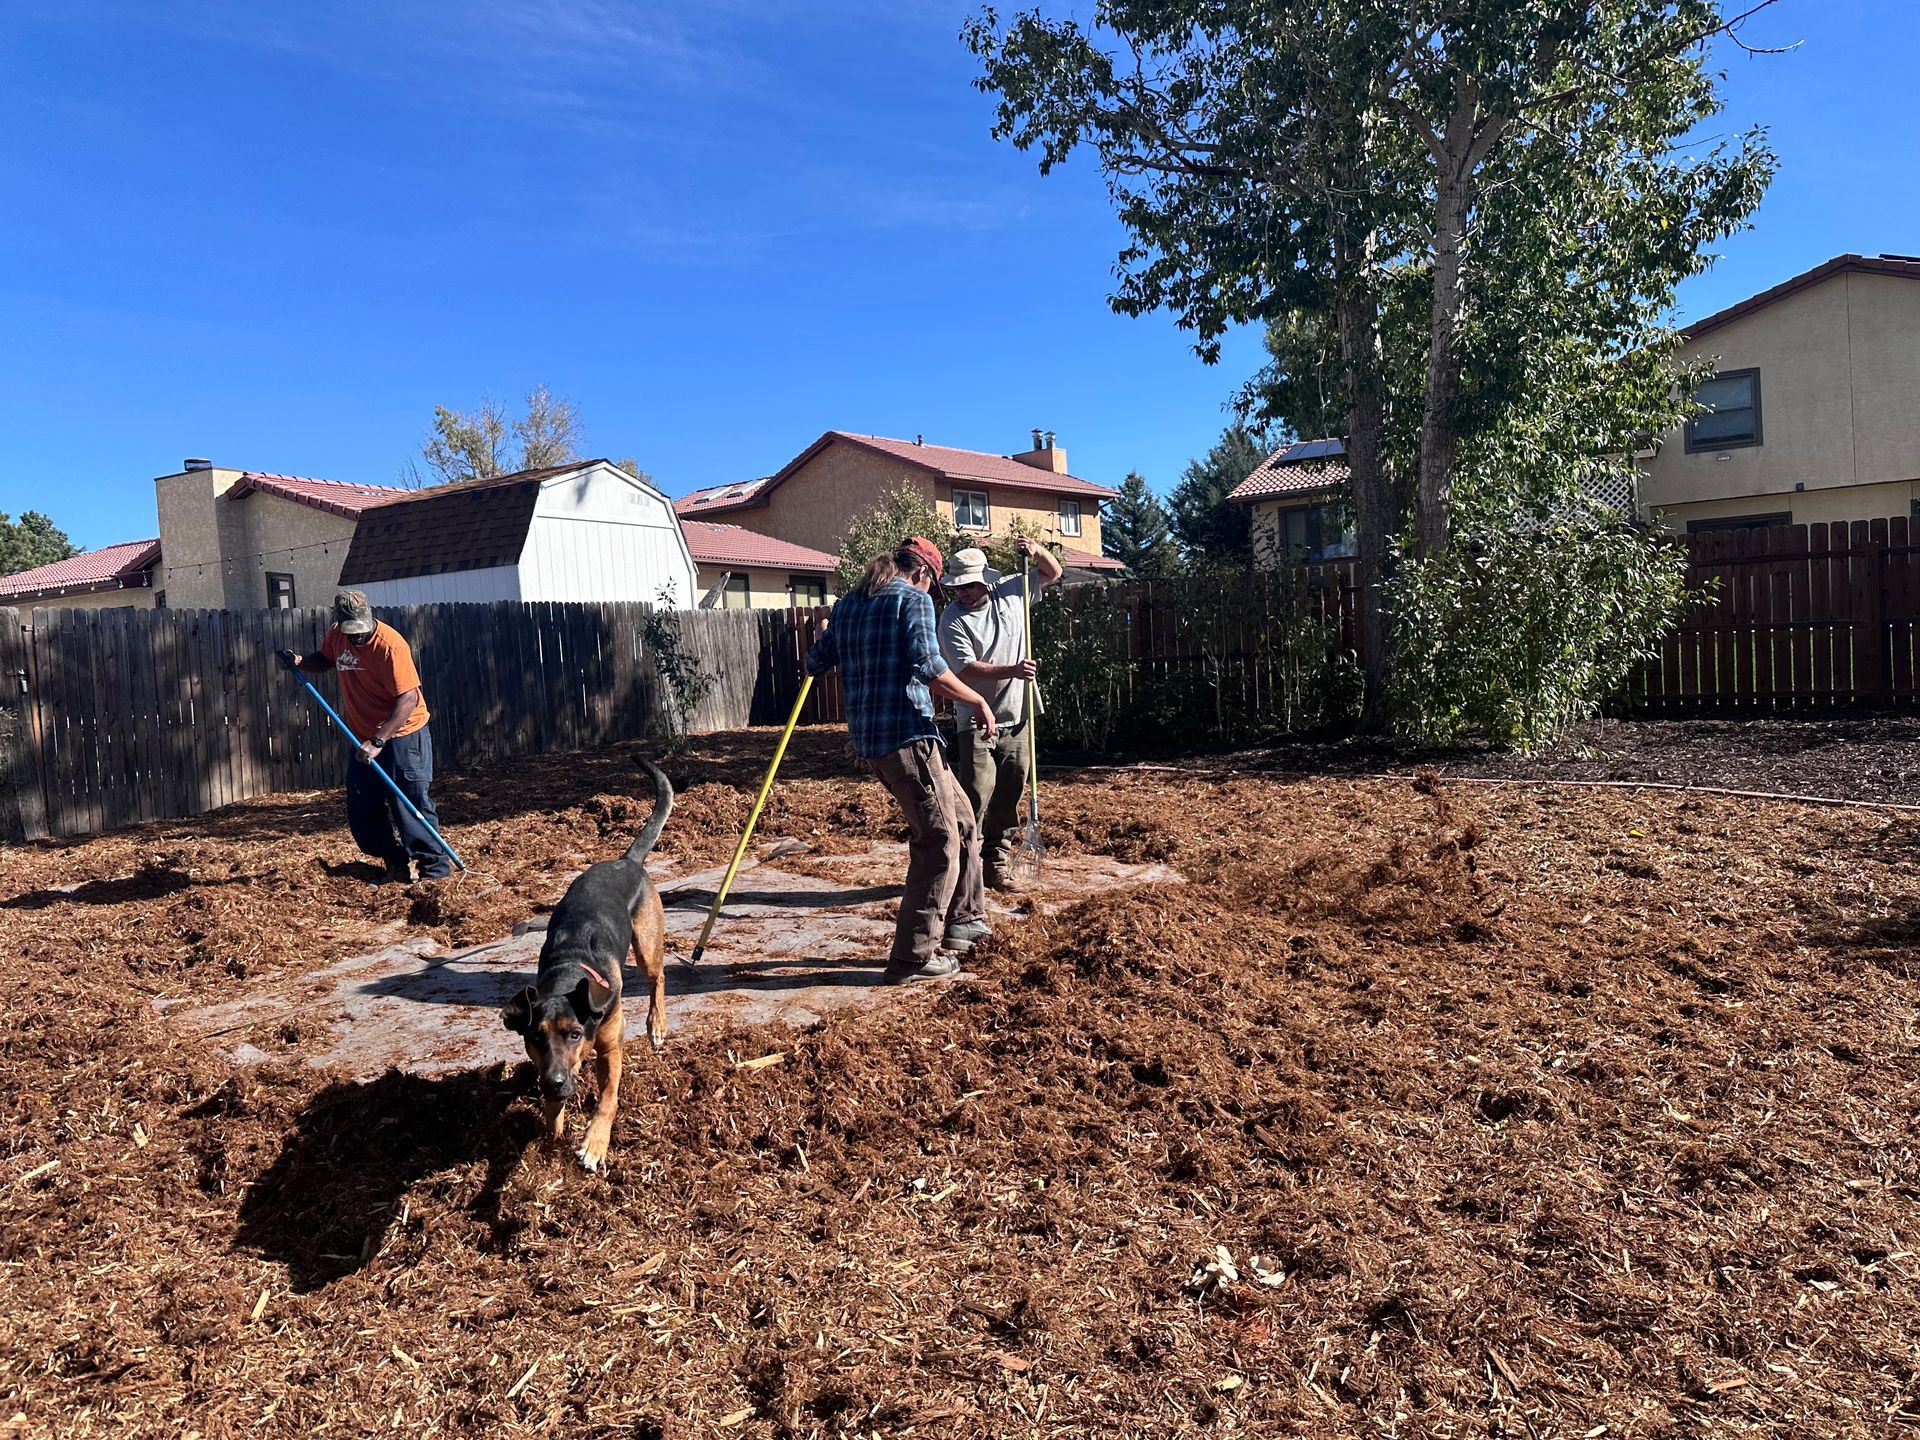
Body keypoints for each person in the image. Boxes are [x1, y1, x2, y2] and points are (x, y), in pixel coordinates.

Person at [806, 537, 998, 983]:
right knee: (938, 840)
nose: (932, 594)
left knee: (963, 821)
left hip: (874, 743)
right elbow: (930, 667)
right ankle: (913, 956)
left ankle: (964, 920)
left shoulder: (850, 604)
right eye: (934, 585)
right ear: (924, 573)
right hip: (908, 738)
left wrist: (825, 632)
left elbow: (815, 662)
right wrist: (977, 701)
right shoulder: (913, 599)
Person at [276, 590, 452, 883]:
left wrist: (379, 740)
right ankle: (395, 860)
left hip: (403, 734)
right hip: (364, 736)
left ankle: (435, 871)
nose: (357, 635)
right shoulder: (337, 635)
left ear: (369, 616)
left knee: (409, 803)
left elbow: (408, 698)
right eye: (351, 631)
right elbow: (325, 659)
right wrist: (300, 661)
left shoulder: (390, 646)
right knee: (363, 805)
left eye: (360, 629)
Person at [937, 537, 1062, 889]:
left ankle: (996, 864)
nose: (961, 593)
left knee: (1010, 793)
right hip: (976, 718)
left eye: (968, 586)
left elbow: (1053, 572)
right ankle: (965, 868)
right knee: (976, 794)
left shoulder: (1011, 591)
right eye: (956, 587)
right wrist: (1013, 670)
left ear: (984, 580)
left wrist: (1037, 551)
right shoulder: (951, 619)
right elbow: (966, 668)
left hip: (1017, 711)